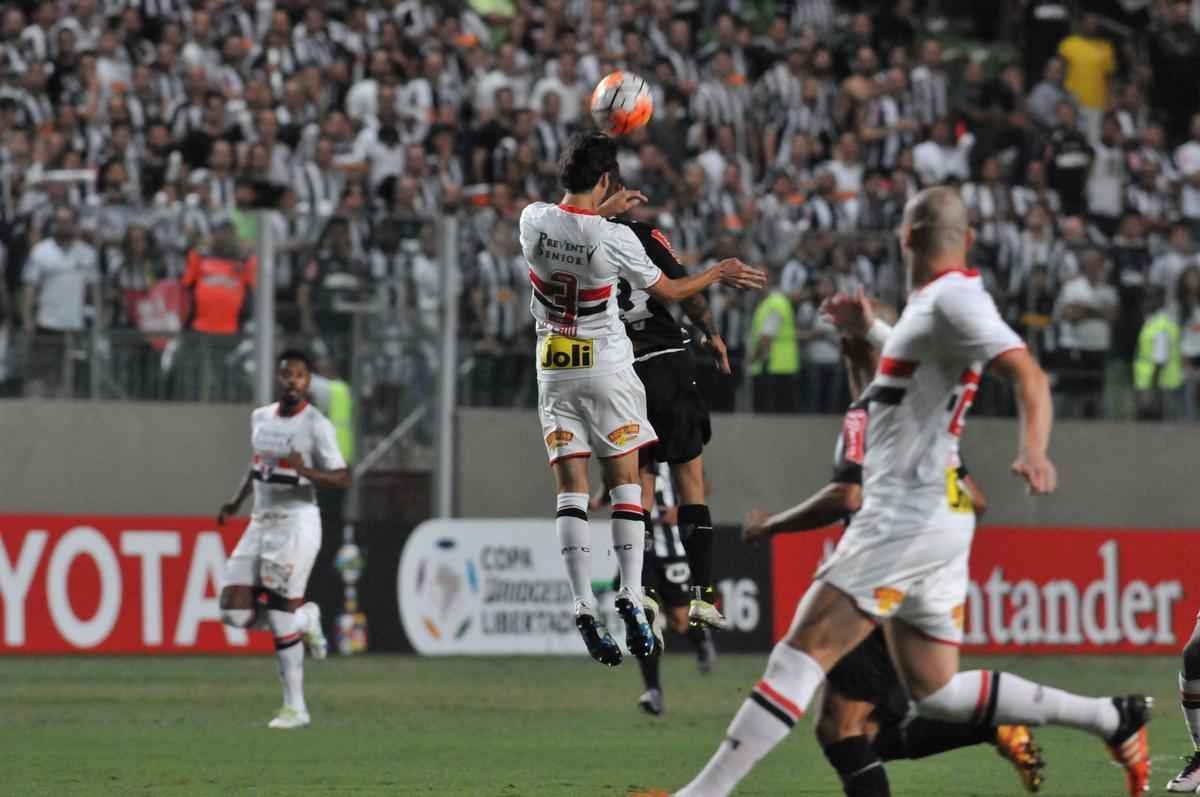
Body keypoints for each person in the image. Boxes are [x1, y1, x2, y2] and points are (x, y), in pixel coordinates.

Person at [674, 187, 1150, 797]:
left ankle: (701, 794)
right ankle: (1113, 717)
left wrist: (1034, 447)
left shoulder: (954, 299)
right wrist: (868, 328)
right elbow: (910, 377)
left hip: (906, 513)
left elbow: (1027, 372)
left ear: (904, 238)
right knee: (939, 692)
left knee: (801, 652)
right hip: (937, 517)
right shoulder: (932, 309)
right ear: (967, 239)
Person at [741, 329, 1045, 796]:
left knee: (843, 729)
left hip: (874, 579)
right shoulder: (928, 431)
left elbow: (847, 494)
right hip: (910, 581)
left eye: (853, 346)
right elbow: (977, 502)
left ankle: (992, 723)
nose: (846, 354)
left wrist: (772, 525)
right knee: (867, 732)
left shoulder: (865, 417)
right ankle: (992, 726)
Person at [519, 132, 763, 667]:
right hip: (606, 361)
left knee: (571, 490)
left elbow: (575, 224)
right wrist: (718, 271)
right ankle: (631, 591)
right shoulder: (618, 241)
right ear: (606, 179)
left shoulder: (532, 219)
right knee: (629, 482)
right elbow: (674, 293)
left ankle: (583, 602)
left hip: (555, 360)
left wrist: (600, 206)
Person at [215, 349, 350, 729]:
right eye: (286, 374)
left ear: (308, 382)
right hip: (260, 523)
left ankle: (296, 708)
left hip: (296, 523)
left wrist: (307, 470)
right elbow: (257, 466)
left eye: (300, 376)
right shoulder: (260, 418)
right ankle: (305, 618)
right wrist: (235, 501)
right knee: (233, 610)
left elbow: (342, 476)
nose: (293, 381)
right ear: (279, 379)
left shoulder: (316, 425)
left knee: (277, 613)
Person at [611, 213, 732, 631]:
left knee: (639, 483)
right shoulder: (641, 233)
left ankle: (640, 588)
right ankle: (702, 596)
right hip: (668, 363)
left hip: (622, 369)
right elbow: (685, 290)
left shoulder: (579, 239)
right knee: (690, 484)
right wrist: (710, 332)